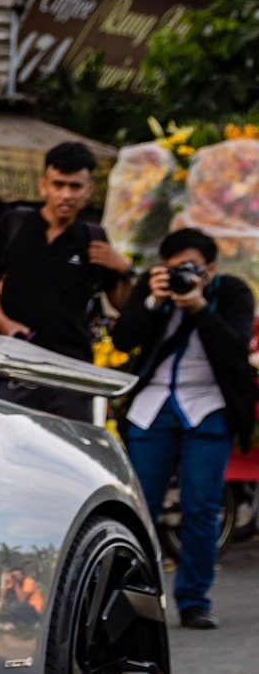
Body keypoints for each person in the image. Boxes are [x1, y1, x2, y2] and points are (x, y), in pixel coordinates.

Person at [112, 228, 257, 630]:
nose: (181, 276)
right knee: (139, 508)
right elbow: (123, 340)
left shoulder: (232, 293)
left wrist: (199, 308)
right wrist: (153, 301)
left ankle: (194, 600)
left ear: (210, 268)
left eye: (190, 268)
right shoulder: (153, 287)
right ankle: (130, 599)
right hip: (153, 407)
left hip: (208, 405)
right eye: (173, 268)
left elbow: (235, 349)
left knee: (202, 507)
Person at [0, 141, 132, 421]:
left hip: (71, 370)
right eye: (58, 184)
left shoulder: (93, 237)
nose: (66, 195)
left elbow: (121, 304)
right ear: (43, 185)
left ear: (89, 190)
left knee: (66, 445)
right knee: (12, 440)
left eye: (75, 186)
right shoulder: (15, 224)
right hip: (16, 363)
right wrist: (3, 322)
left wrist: (124, 269)